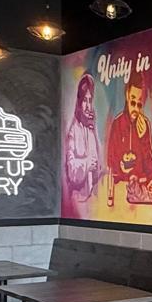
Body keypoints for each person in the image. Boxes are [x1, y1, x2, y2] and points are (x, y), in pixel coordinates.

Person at [104, 74, 152, 205]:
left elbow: (150, 166)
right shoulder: (117, 124)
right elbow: (110, 162)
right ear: (127, 95)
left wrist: (143, 138)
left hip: (139, 192)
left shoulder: (144, 124)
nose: (135, 109)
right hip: (121, 191)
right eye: (133, 103)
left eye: (139, 104)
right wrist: (121, 169)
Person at [63, 73, 102, 206]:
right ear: (79, 102)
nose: (88, 106)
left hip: (92, 201)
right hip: (77, 201)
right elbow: (71, 171)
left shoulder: (90, 129)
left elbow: (98, 166)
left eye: (90, 101)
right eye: (85, 100)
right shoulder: (73, 131)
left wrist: (94, 129)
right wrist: (87, 164)